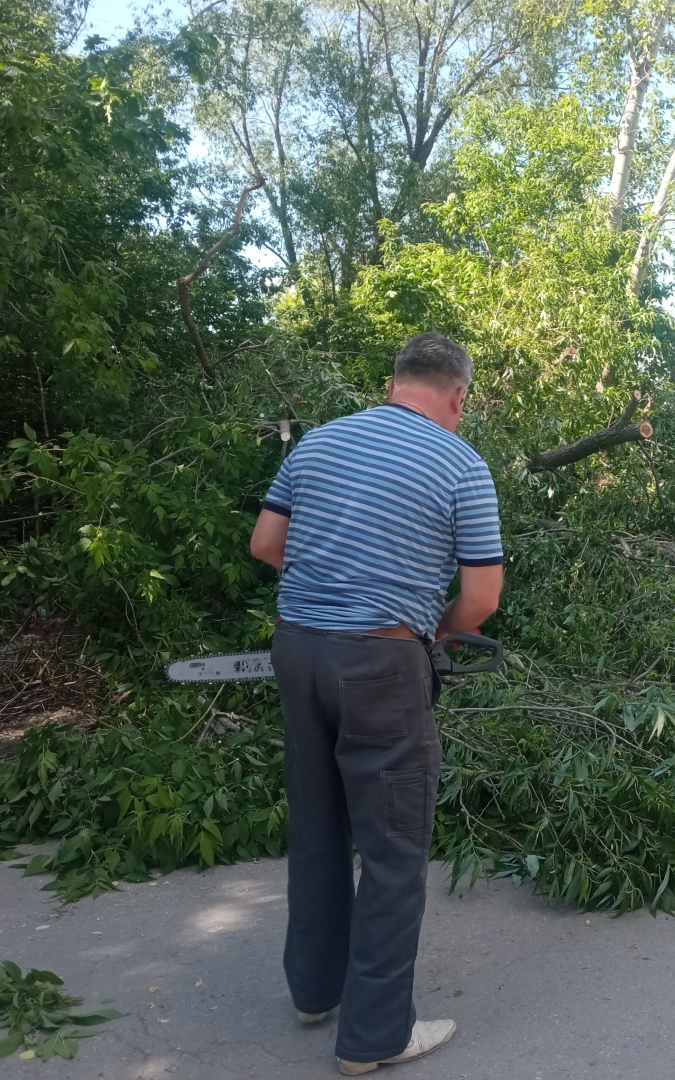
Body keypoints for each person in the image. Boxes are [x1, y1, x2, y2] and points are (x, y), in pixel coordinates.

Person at [249, 332, 504, 1074]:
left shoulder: (322, 443)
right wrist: (432, 628)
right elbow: (482, 597)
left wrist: (335, 578)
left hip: (298, 650)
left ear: (396, 382)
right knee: (392, 851)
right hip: (381, 665)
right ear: (458, 395)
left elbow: (267, 544)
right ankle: (374, 1039)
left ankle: (313, 992)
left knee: (318, 824)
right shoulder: (460, 463)